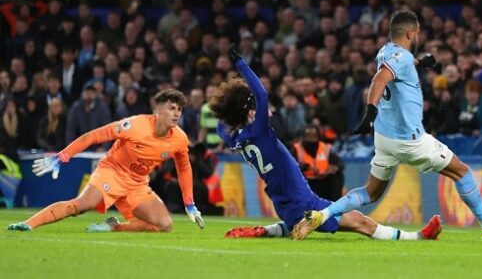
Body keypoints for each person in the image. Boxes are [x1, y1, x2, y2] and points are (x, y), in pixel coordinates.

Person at [292, 10, 482, 240]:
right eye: (416, 34)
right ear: (409, 33)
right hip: (409, 140)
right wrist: (370, 111)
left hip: (385, 138)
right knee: (462, 172)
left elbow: (396, 65)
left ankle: (322, 215)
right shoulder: (402, 59)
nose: (418, 38)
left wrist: (420, 62)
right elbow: (380, 78)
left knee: (370, 192)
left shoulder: (385, 51)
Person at [212, 44, 441, 241]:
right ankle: (418, 237)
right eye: (259, 109)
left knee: (313, 222)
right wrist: (241, 63)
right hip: (301, 202)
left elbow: (220, 126)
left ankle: (266, 231)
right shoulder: (259, 130)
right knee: (359, 222)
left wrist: (232, 111)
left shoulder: (237, 139)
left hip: (288, 202)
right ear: (251, 113)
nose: (268, 110)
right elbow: (261, 95)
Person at [7, 89, 204, 232]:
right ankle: (29, 223)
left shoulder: (179, 138)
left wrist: (189, 204)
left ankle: (113, 227)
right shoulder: (134, 125)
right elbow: (94, 136)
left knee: (164, 225)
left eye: (179, 109)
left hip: (137, 183)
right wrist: (63, 156)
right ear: (158, 110)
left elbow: (184, 167)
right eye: (171, 108)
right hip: (112, 172)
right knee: (80, 205)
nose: (177, 113)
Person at [292, 125, 344, 202]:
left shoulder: (325, 148)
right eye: (309, 136)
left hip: (323, 183)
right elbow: (290, 166)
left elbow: (340, 163)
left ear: (318, 137)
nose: (311, 140)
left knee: (338, 175)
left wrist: (335, 167)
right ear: (303, 137)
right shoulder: (296, 149)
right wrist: (306, 167)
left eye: (314, 136)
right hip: (305, 183)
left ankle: (335, 205)